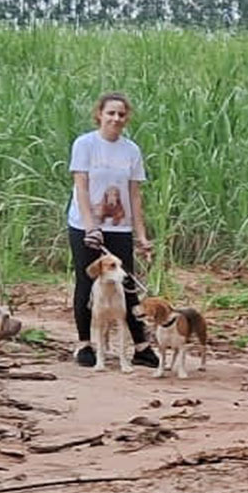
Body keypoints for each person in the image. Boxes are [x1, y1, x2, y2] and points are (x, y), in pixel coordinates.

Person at [67, 92, 158, 370]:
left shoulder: (131, 150)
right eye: (111, 113)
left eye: (121, 114)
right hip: (86, 225)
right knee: (88, 283)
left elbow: (134, 194)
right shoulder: (85, 144)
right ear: (100, 115)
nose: (116, 119)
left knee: (126, 282)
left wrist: (141, 236)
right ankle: (85, 345)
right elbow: (81, 187)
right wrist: (91, 226)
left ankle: (141, 347)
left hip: (119, 226)